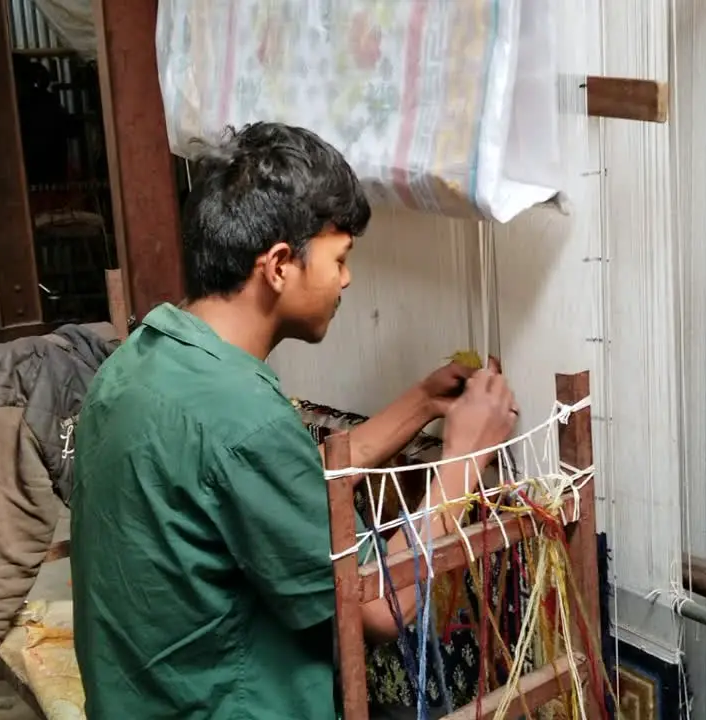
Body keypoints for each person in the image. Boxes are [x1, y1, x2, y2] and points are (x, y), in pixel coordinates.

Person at [70, 122, 519, 719]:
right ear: (279, 265)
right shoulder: (240, 419)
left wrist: (422, 404)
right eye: (340, 258)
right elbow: (380, 607)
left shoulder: (140, 364)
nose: (347, 280)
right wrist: (463, 458)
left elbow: (286, 484)